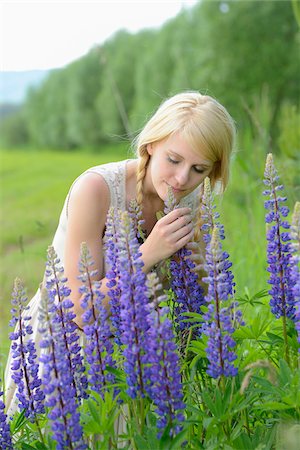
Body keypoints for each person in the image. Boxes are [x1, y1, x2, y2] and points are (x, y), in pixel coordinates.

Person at [4, 90, 236, 418]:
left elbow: (202, 298)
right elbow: (80, 311)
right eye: (173, 160)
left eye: (199, 169)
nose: (182, 179)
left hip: (140, 357)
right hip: (66, 356)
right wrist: (148, 253)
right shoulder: (96, 189)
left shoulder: (193, 199)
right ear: (151, 145)